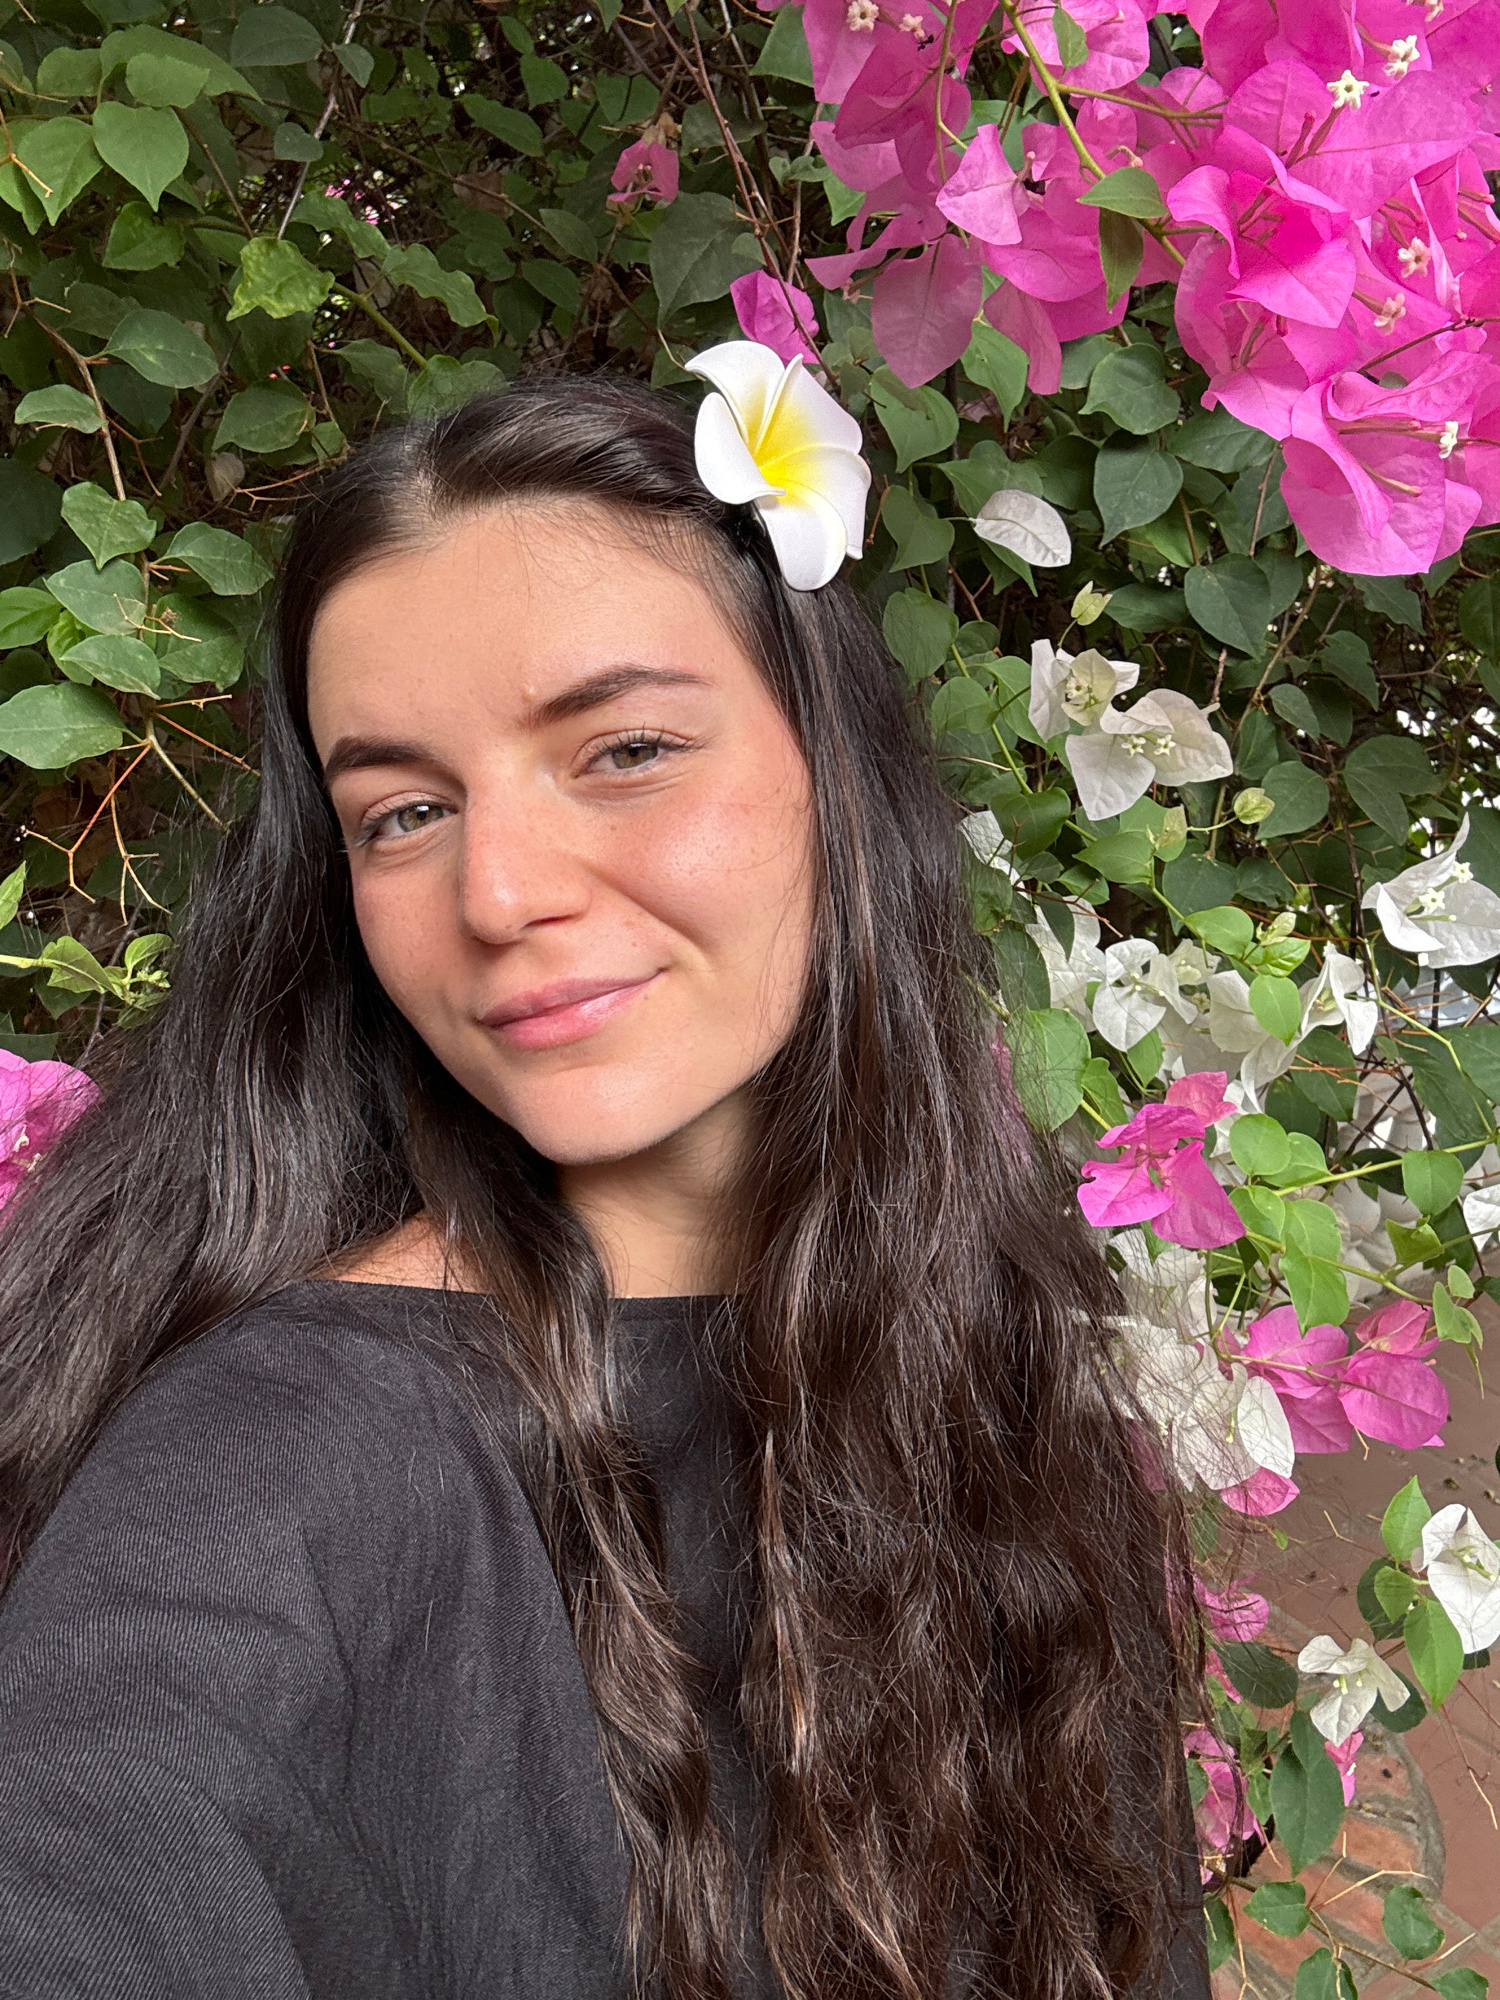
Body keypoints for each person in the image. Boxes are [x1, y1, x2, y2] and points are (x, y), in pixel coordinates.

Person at [0, 360, 1209, 2000]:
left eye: (626, 748)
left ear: (837, 776)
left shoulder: (989, 1384)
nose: (498, 894)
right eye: (402, 813)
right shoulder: (277, 1463)